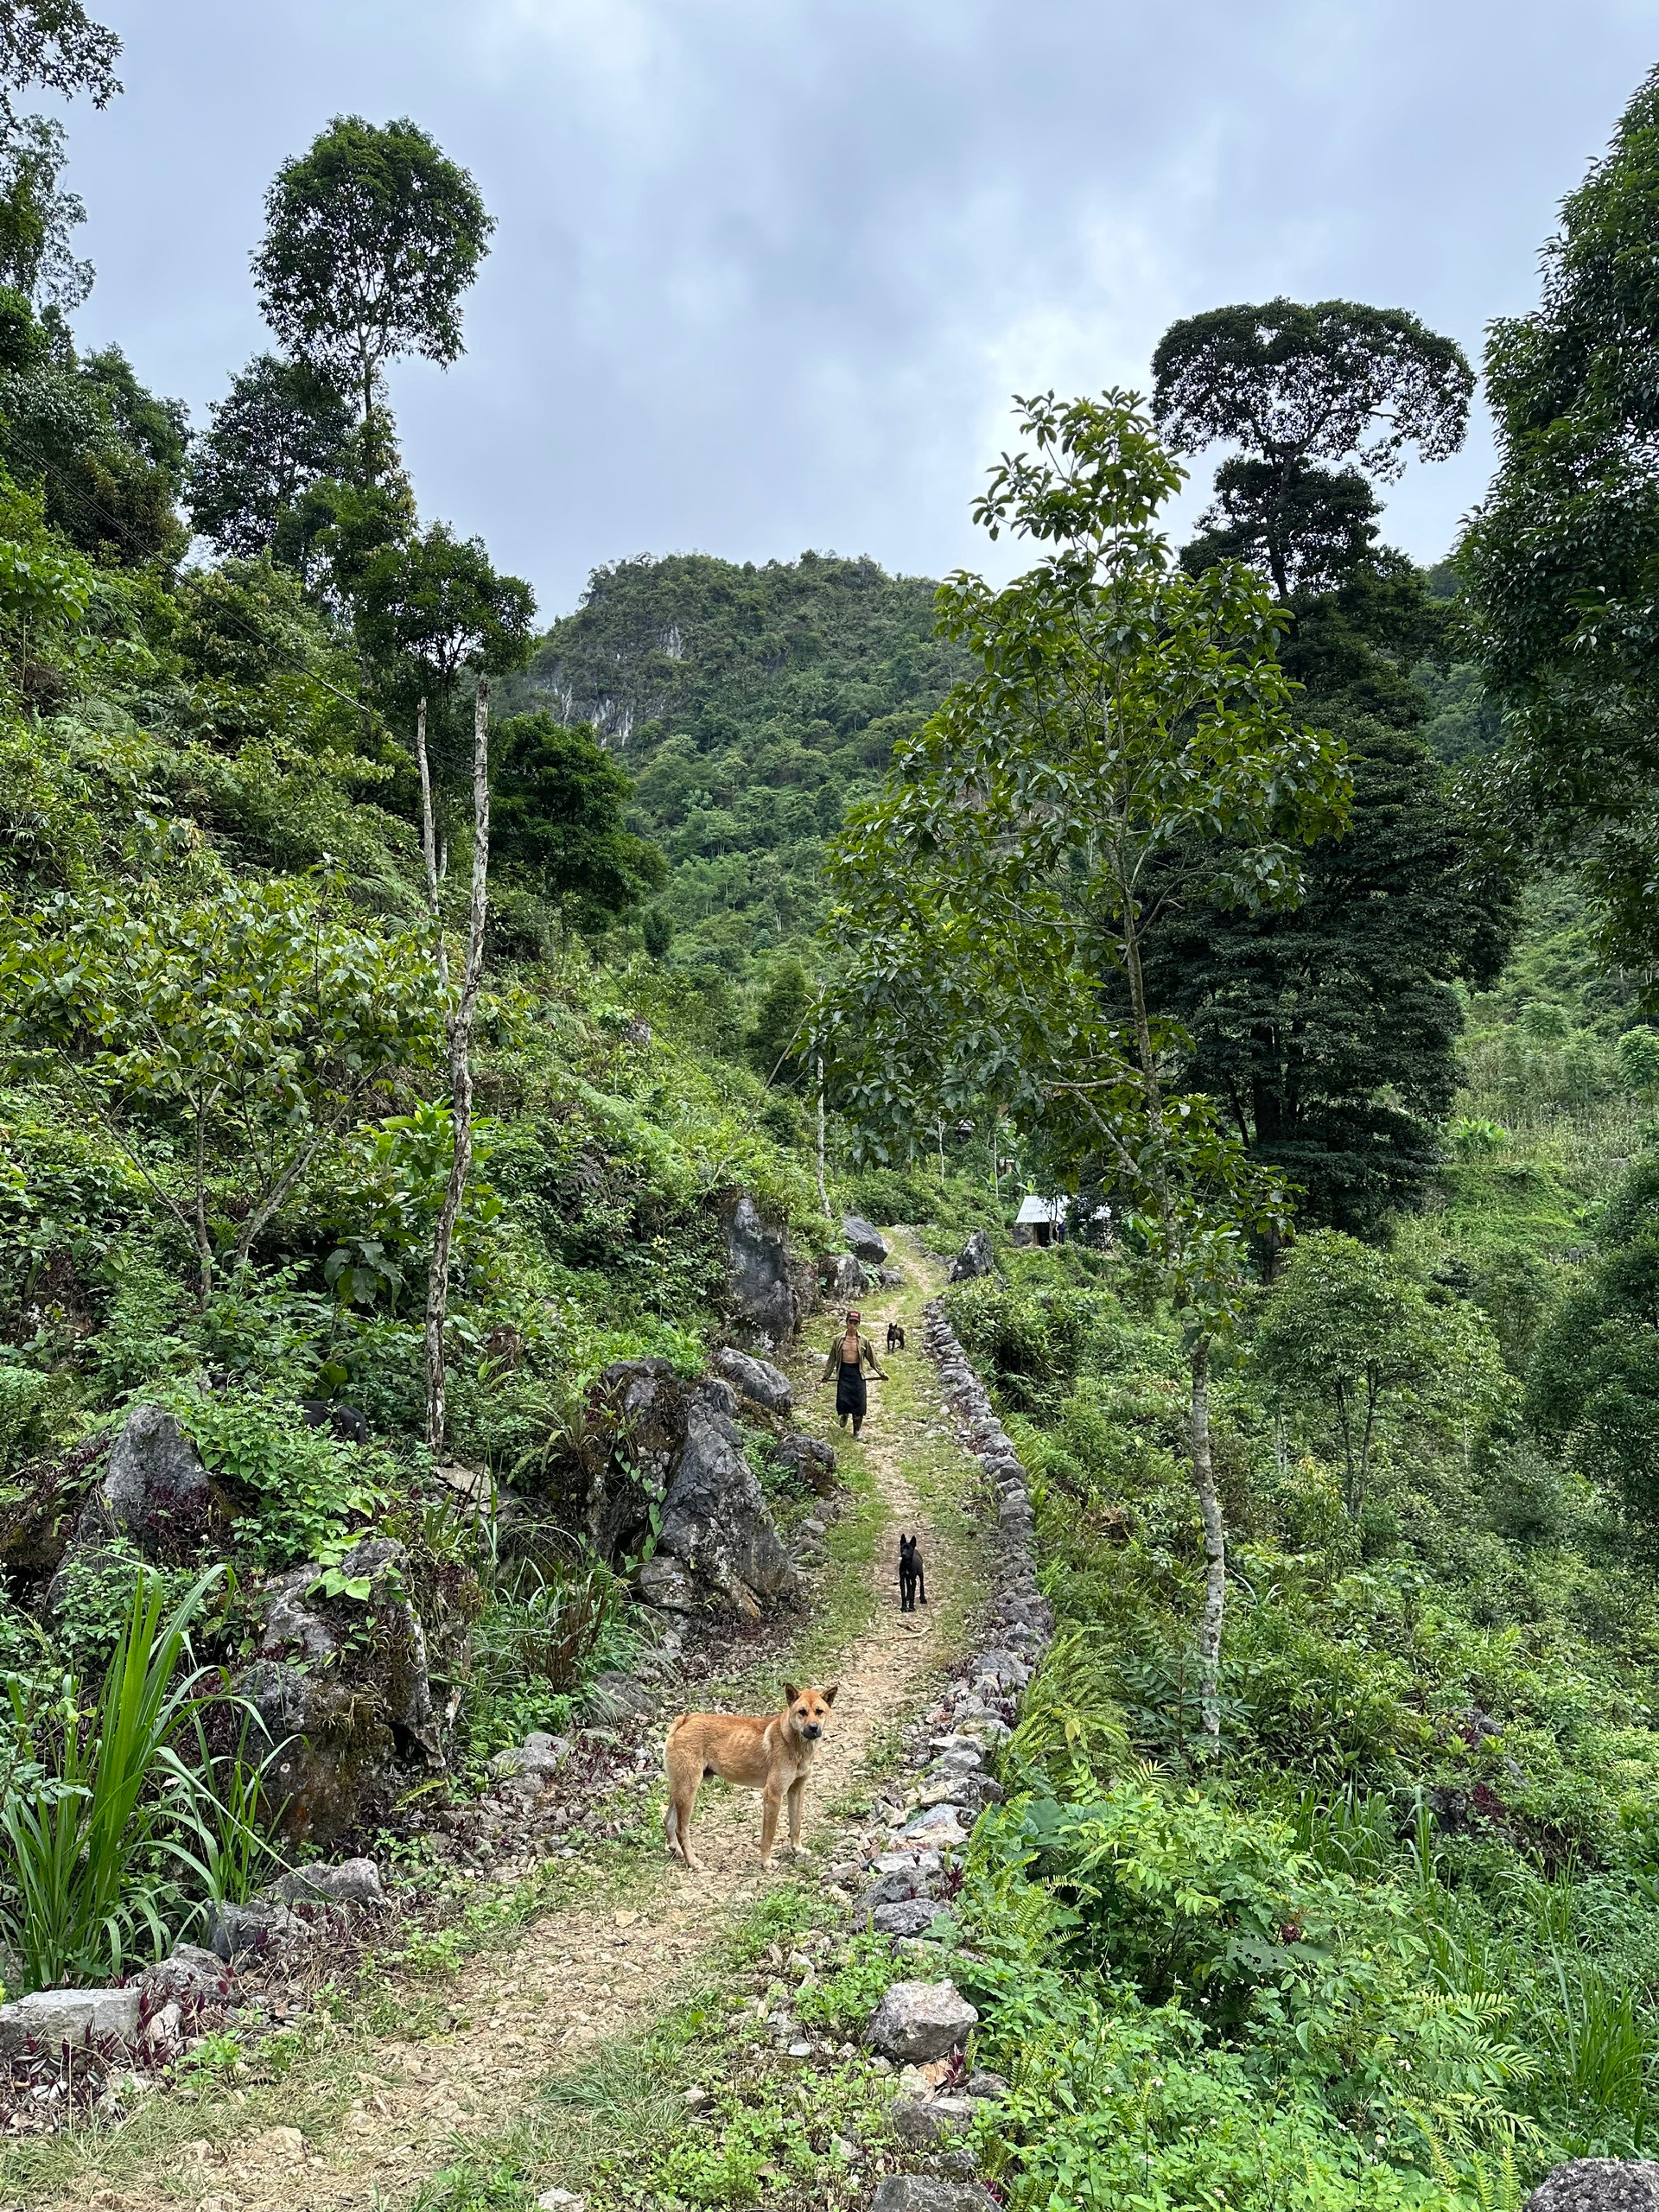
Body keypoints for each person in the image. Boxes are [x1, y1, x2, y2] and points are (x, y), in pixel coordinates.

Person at [821, 1308, 887, 1438]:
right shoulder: (838, 1339)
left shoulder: (863, 1340)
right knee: (843, 1400)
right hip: (844, 1372)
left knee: (859, 1403)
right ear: (846, 1322)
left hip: (857, 1373)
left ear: (859, 1324)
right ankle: (844, 1414)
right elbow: (832, 1359)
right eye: (851, 1322)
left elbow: (872, 1357)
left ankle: (857, 1430)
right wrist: (826, 1375)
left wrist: (881, 1372)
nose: (853, 1325)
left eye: (856, 1323)